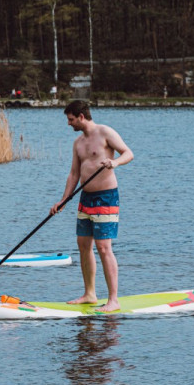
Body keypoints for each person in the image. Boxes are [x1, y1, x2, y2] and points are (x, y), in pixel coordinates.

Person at [50, 100, 134, 312]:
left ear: (81, 116)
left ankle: (113, 300)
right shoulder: (78, 143)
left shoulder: (105, 132)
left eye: (71, 119)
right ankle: (90, 294)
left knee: (104, 247)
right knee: (83, 244)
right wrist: (63, 200)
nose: (69, 124)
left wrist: (114, 163)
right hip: (85, 199)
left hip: (106, 198)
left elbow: (128, 153)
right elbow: (74, 174)